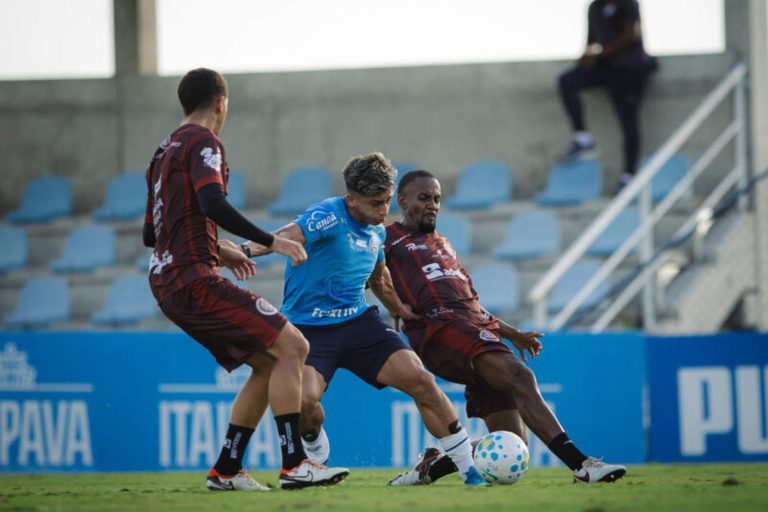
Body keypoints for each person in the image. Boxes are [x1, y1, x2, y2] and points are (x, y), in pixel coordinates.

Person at [142, 67, 349, 491]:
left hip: (168, 280)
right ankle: (295, 464)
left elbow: (154, 233)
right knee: (295, 345)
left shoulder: (162, 153)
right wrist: (271, 240)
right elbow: (212, 202)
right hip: (193, 280)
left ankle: (227, 470)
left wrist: (220, 249)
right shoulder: (203, 141)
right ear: (221, 103)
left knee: (271, 362)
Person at [244, 152, 486, 486]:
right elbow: (282, 235)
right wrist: (242, 251)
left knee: (421, 380)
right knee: (304, 405)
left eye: (387, 202)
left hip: (359, 325)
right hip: (309, 330)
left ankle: (468, 469)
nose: (384, 212)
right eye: (375, 203)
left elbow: (379, 278)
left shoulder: (377, 232)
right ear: (351, 200)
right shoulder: (328, 215)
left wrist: (399, 309)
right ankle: (315, 450)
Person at [383, 170, 627, 485]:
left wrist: (512, 333)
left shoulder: (444, 243)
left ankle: (434, 465)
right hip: (437, 327)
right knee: (521, 375)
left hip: (466, 325)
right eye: (424, 198)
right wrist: (391, 306)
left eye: (437, 198)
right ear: (402, 201)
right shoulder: (388, 238)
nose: (432, 205)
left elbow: (471, 302)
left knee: (512, 446)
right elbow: (364, 270)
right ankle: (582, 465)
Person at [557, 0, 656, 192]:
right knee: (567, 80)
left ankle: (629, 175)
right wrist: (586, 58)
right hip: (606, 68)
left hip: (630, 70)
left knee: (628, 122)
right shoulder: (594, 7)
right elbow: (591, 43)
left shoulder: (627, 3)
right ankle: (583, 139)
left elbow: (631, 34)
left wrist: (600, 55)